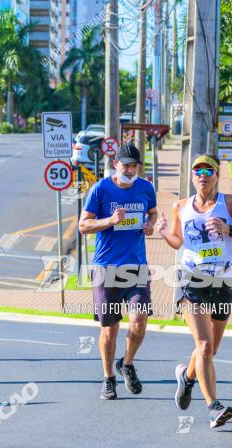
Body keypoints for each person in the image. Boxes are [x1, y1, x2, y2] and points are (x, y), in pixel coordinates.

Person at [156, 154, 232, 429]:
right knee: (203, 345)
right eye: (197, 171)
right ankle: (214, 407)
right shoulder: (181, 206)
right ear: (192, 176)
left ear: (217, 176)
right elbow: (178, 242)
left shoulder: (230, 203)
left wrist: (231, 229)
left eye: (208, 171)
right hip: (192, 280)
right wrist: (165, 231)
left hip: (224, 282)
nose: (202, 175)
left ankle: (187, 377)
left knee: (210, 349)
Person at [79, 143, 157, 400]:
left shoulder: (145, 187)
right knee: (109, 329)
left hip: (136, 265)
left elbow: (153, 213)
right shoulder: (101, 189)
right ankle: (108, 378)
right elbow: (83, 225)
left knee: (139, 321)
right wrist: (109, 221)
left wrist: (150, 225)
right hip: (106, 267)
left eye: (134, 166)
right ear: (116, 165)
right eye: (126, 166)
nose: (131, 170)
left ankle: (127, 363)